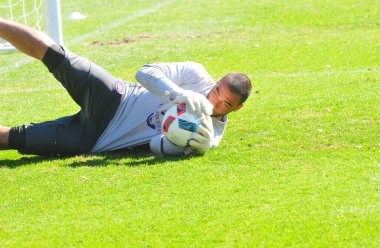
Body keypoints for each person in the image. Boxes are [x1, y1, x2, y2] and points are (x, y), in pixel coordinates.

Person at [0, 18, 252, 157]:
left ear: (237, 108)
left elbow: (154, 146)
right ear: (216, 82)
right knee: (58, 56)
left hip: (95, 139)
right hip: (115, 97)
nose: (215, 101)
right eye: (217, 91)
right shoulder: (195, 74)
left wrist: (179, 144)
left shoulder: (210, 134)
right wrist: (179, 94)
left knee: (13, 138)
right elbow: (145, 73)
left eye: (225, 103)